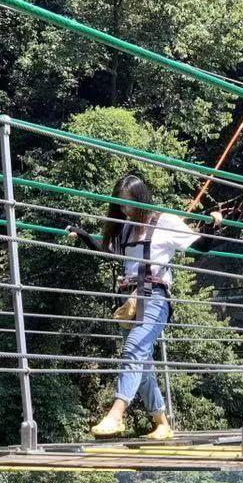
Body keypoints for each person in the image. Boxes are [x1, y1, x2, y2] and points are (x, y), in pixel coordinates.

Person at [67, 173, 224, 440]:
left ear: (142, 199)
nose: (125, 210)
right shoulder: (126, 227)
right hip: (128, 301)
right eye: (120, 204)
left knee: (134, 350)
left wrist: (212, 225)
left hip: (155, 298)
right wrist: (83, 235)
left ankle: (116, 415)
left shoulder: (166, 222)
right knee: (143, 363)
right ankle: (161, 422)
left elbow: (198, 249)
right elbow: (109, 252)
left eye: (129, 203)